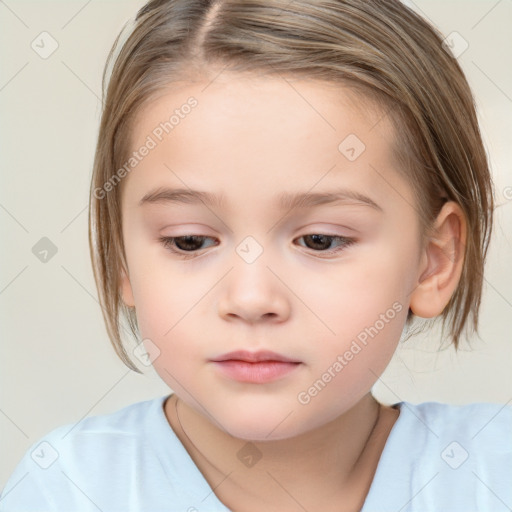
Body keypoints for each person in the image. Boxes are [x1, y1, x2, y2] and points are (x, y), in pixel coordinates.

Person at [1, 0, 510, 511]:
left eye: (320, 240)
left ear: (433, 261)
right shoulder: (71, 488)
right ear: (120, 259)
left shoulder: (492, 472)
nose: (250, 298)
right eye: (189, 241)